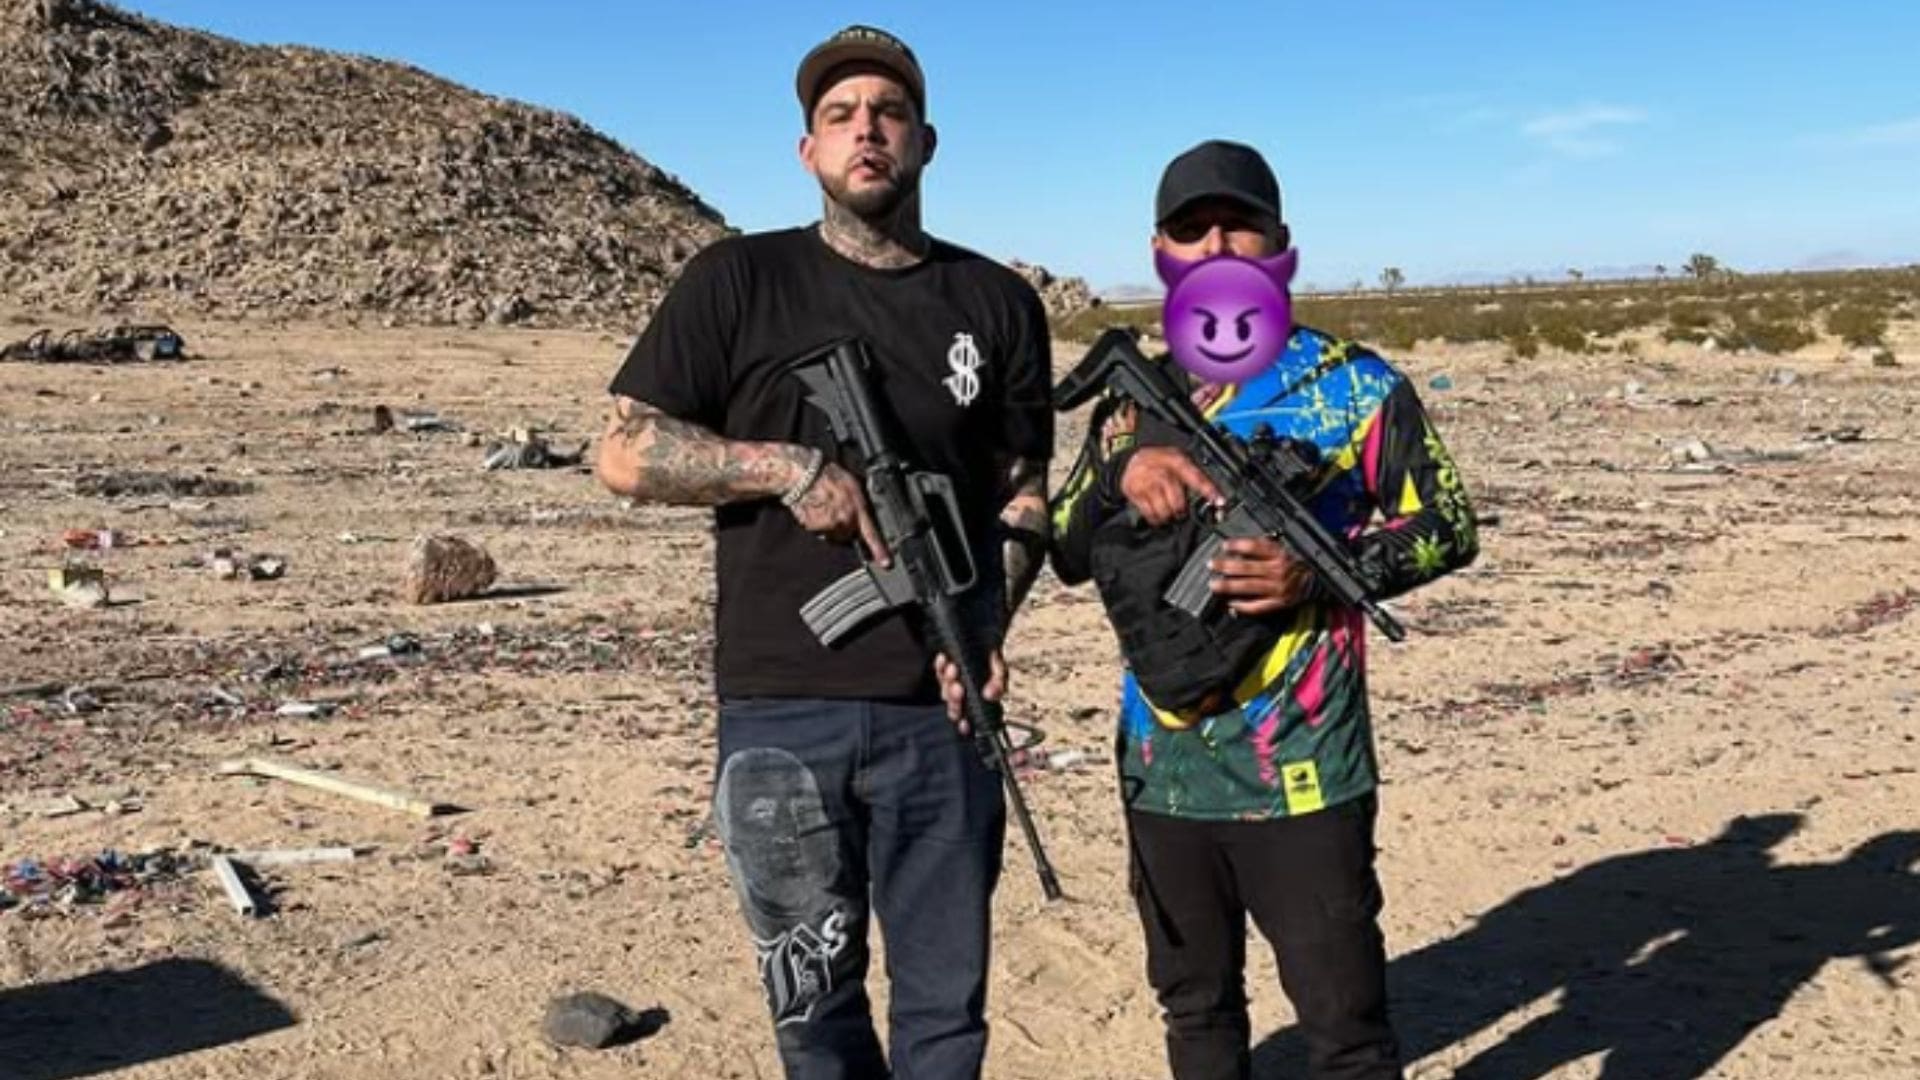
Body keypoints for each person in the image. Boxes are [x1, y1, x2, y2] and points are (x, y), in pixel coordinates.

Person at [593, 24, 1054, 1080]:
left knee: (946, 1014)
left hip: (942, 715)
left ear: (926, 141)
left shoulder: (996, 304)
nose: (867, 131)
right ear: (808, 151)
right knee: (813, 1011)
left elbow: (1025, 491)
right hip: (781, 709)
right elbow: (621, 452)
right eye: (840, 116)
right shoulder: (737, 280)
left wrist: (983, 623)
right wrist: (786, 469)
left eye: (889, 113)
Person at [1048, 139, 1480, 1080]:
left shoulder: (1354, 386)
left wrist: (1318, 573)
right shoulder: (1128, 402)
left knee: (1345, 1031)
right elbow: (1068, 549)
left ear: (1282, 246)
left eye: (1238, 224)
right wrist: (1122, 471)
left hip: (1307, 772)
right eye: (1189, 229)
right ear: (1160, 252)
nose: (1215, 245)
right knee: (1196, 1010)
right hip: (1162, 775)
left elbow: (1449, 525)